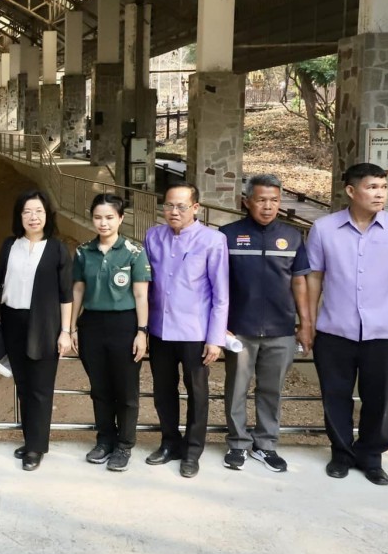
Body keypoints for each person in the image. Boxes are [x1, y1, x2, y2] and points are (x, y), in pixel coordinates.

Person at [305, 163, 388, 486]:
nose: (380, 194)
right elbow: (314, 277)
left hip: (385, 333)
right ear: (351, 191)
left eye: (383, 187)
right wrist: (308, 322)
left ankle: (371, 457)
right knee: (335, 396)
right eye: (372, 187)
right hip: (334, 331)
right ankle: (342, 454)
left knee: (379, 399)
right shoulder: (324, 229)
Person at [219, 174, 311, 473]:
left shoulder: (292, 237)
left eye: (274, 200)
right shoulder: (227, 235)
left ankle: (265, 445)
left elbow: (299, 282)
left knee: (272, 390)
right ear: (246, 202)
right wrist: (219, 323)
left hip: (280, 329)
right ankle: (237, 444)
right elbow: (217, 283)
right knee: (237, 389)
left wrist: (305, 323)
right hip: (239, 329)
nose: (268, 206)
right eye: (261, 200)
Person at [143, 182, 228, 479]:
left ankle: (192, 451)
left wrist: (215, 339)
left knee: (197, 393)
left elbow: (221, 294)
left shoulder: (213, 240)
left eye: (181, 206)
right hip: (160, 330)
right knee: (163, 391)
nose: (174, 211)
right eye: (169, 205)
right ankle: (169, 443)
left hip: (195, 332)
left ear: (196, 207)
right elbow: (146, 285)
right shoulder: (153, 236)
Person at [0, 189, 73, 471]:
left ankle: (36, 448)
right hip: (12, 321)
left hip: (44, 324)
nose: (33, 217)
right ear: (19, 216)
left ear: (47, 215)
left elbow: (66, 295)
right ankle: (30, 440)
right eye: (27, 212)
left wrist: (65, 331)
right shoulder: (9, 245)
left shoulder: (57, 248)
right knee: (24, 386)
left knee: (40, 388)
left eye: (38, 211)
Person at [69, 193, 151, 472]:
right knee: (100, 388)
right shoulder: (83, 252)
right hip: (91, 325)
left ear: (121, 218)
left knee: (126, 390)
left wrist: (142, 332)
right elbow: (78, 290)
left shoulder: (134, 252)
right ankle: (104, 440)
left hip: (125, 325)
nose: (103, 223)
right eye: (97, 217)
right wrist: (72, 327)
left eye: (109, 217)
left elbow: (141, 295)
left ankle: (124, 445)